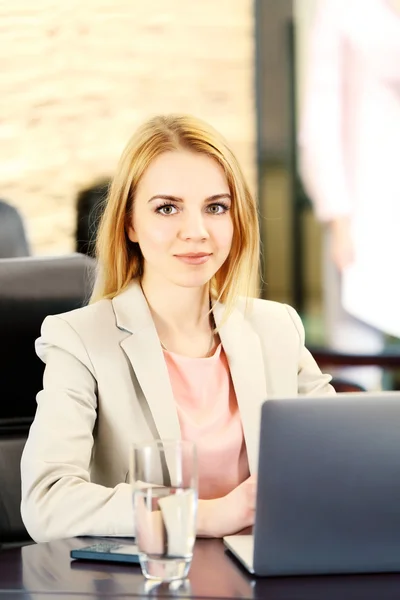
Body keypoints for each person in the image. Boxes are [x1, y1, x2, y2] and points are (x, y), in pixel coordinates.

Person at [21, 114, 334, 543]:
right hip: (152, 583)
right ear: (130, 223)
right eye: (167, 208)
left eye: (215, 207)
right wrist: (205, 515)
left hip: (267, 576)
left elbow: (341, 458)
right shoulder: (79, 340)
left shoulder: (276, 328)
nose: (196, 232)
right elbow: (48, 502)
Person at [298, 0, 400, 389]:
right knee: (358, 372)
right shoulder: (341, 10)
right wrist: (338, 219)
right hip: (365, 218)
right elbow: (319, 124)